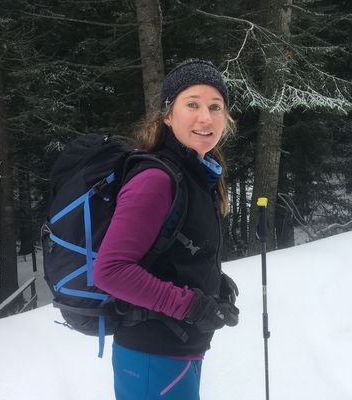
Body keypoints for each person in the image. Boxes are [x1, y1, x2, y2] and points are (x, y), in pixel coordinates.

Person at [93, 59, 240, 400]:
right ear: (168, 114)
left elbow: (171, 253)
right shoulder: (156, 179)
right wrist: (194, 306)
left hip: (177, 351)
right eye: (192, 104)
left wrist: (212, 283)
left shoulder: (197, 174)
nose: (206, 117)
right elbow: (111, 271)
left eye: (215, 107)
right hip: (152, 355)